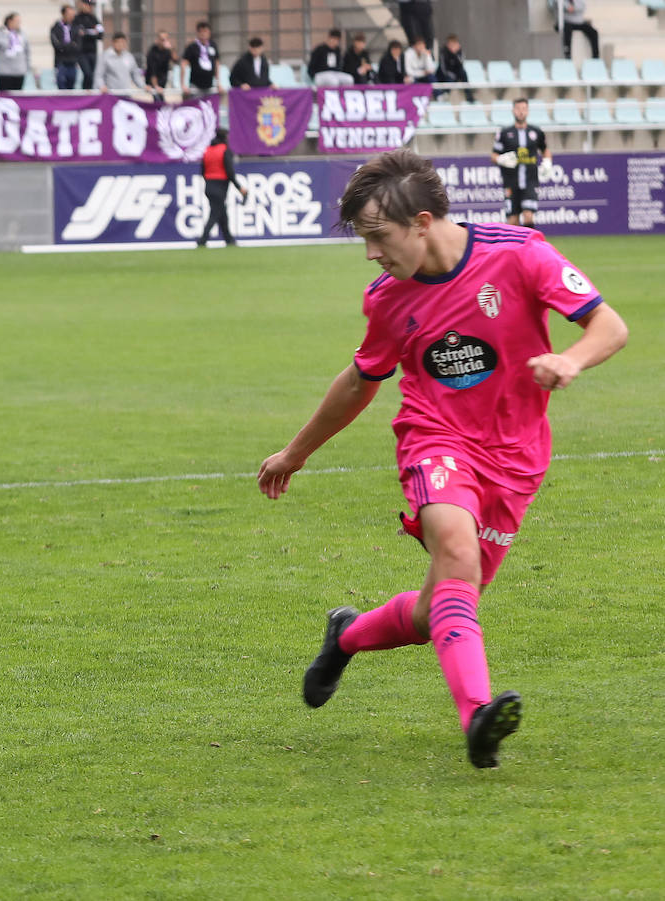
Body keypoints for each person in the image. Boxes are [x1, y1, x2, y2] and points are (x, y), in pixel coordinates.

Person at [258, 148, 628, 770]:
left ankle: (345, 636)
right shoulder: (387, 300)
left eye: (379, 236)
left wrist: (570, 360)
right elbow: (359, 381)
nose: (372, 253)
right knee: (456, 552)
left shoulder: (520, 254)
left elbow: (608, 326)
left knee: (439, 609)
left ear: (423, 221)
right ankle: (478, 716)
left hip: (516, 455)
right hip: (436, 440)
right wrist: (295, 453)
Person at [492, 97, 551, 227]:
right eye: (518, 109)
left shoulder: (536, 132)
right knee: (513, 222)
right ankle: (516, 247)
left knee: (528, 217)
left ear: (528, 111)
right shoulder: (505, 133)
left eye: (524, 109)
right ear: (513, 111)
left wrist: (547, 163)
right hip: (511, 183)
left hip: (530, 181)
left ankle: (530, 246)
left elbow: (545, 151)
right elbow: (494, 155)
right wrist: (501, 159)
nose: (521, 112)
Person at [196, 128, 248, 247]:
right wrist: (239, 188)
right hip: (220, 187)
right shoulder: (224, 150)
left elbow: (203, 171)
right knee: (215, 214)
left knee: (221, 213)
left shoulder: (207, 151)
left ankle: (229, 239)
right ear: (224, 138)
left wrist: (210, 181)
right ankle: (202, 240)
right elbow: (230, 173)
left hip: (208, 186)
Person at [0, 12, 32, 92]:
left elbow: (27, 51)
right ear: (9, 21)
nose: (19, 23)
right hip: (4, 72)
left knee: (17, 97)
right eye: (17, 21)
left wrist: (27, 67)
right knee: (5, 98)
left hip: (19, 72)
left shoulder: (22, 34)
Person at [180, 20, 219, 95]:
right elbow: (183, 64)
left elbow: (216, 63)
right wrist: (183, 84)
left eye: (205, 31)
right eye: (201, 32)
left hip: (209, 85)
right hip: (196, 85)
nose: (203, 34)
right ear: (197, 33)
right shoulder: (192, 47)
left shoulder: (213, 45)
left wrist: (218, 82)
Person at [72, 0, 104, 90]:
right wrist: (91, 33)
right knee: (87, 73)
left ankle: (89, 92)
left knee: (93, 74)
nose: (89, 7)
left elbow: (100, 35)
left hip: (92, 51)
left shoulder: (94, 19)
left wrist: (87, 33)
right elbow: (77, 33)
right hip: (82, 52)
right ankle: (85, 91)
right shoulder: (77, 19)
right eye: (87, 5)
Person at [50, 5, 81, 91]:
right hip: (61, 63)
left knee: (71, 88)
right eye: (69, 14)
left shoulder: (76, 28)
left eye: (72, 14)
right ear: (63, 14)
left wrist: (64, 46)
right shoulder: (55, 28)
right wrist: (70, 45)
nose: (71, 16)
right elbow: (57, 46)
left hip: (73, 63)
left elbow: (78, 47)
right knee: (61, 88)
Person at [437, 33, 474, 102]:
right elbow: (443, 68)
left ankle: (469, 95)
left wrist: (455, 54)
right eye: (451, 43)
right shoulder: (443, 52)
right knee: (451, 78)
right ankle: (445, 94)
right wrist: (451, 75)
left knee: (463, 73)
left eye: (454, 43)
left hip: (456, 73)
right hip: (445, 74)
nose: (453, 45)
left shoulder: (459, 51)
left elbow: (461, 64)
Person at [145, 30, 176, 100]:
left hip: (163, 82)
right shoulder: (152, 52)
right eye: (162, 39)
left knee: (161, 101)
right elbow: (152, 71)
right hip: (153, 84)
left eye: (166, 39)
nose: (164, 41)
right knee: (158, 101)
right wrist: (156, 86)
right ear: (158, 40)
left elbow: (176, 60)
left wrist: (171, 49)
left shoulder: (168, 51)